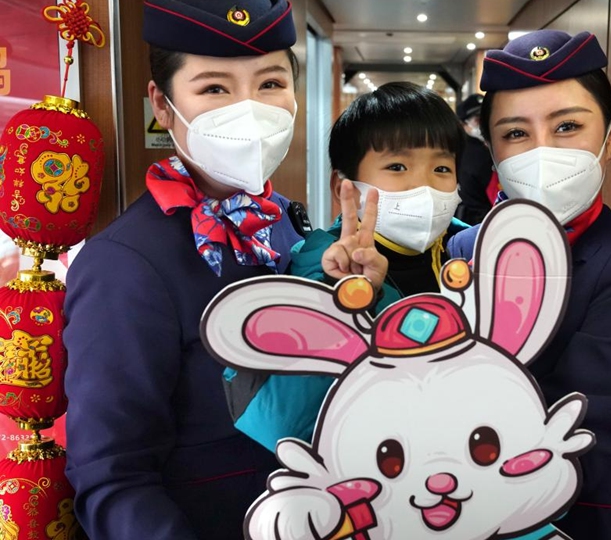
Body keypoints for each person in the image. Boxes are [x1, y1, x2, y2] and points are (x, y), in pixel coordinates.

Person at [61, 2, 336, 538]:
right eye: (214, 89)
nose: (251, 109)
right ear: (162, 106)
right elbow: (113, 477)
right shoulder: (125, 263)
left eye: (271, 83)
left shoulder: (290, 227)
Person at [448, 30, 611, 539]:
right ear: (492, 149)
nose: (541, 151)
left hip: (578, 521)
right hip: (452, 514)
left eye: (568, 126)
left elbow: (583, 427)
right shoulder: (465, 252)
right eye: (515, 134)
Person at [226, 81, 469, 453]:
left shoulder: (473, 254)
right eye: (397, 166)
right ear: (345, 186)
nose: (424, 185)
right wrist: (347, 304)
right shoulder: (314, 271)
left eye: (441, 167)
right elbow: (279, 426)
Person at [454, 93, 495, 224]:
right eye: (477, 120)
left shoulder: (460, 147)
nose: (483, 125)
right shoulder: (478, 155)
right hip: (481, 220)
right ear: (462, 124)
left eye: (487, 119)